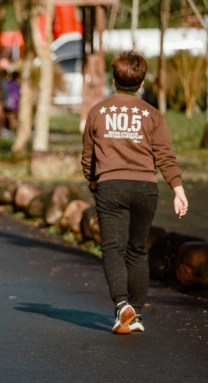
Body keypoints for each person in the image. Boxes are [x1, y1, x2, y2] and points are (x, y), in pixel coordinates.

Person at [81, 50, 189, 334]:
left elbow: (88, 159)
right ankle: (137, 314)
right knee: (137, 249)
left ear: (113, 80)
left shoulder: (97, 112)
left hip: (111, 186)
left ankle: (122, 306)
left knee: (113, 249)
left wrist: (94, 186)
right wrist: (178, 190)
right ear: (141, 83)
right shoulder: (152, 115)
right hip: (146, 188)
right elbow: (165, 156)